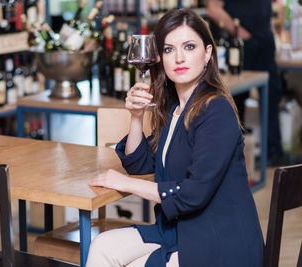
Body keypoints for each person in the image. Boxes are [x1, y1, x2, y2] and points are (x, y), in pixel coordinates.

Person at [86, 9, 263, 267]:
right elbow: (140, 165)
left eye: (189, 46)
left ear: (208, 53)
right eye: (169, 49)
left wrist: (125, 184)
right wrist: (136, 117)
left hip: (219, 241)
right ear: (160, 58)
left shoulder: (216, 109)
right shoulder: (175, 110)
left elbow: (192, 194)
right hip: (177, 230)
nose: (179, 57)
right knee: (102, 246)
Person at [206, 0, 290, 166]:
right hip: (244, 43)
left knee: (272, 95)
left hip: (265, 42)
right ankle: (237, 157)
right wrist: (240, 33)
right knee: (237, 99)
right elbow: (213, 9)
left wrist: (269, 28)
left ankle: (273, 152)